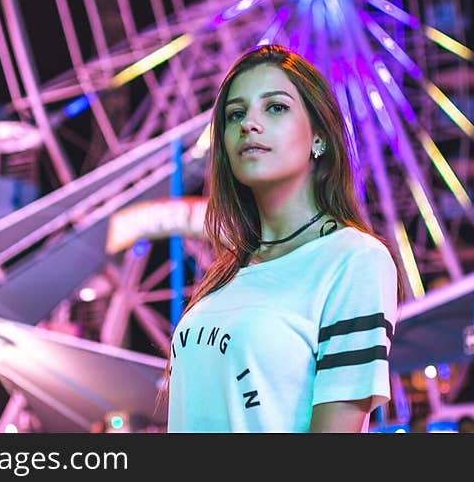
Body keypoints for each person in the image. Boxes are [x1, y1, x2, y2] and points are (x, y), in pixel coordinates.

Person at [165, 44, 402, 433]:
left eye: (275, 107)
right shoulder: (226, 276)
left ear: (319, 139)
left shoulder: (355, 260)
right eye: (235, 114)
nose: (248, 124)